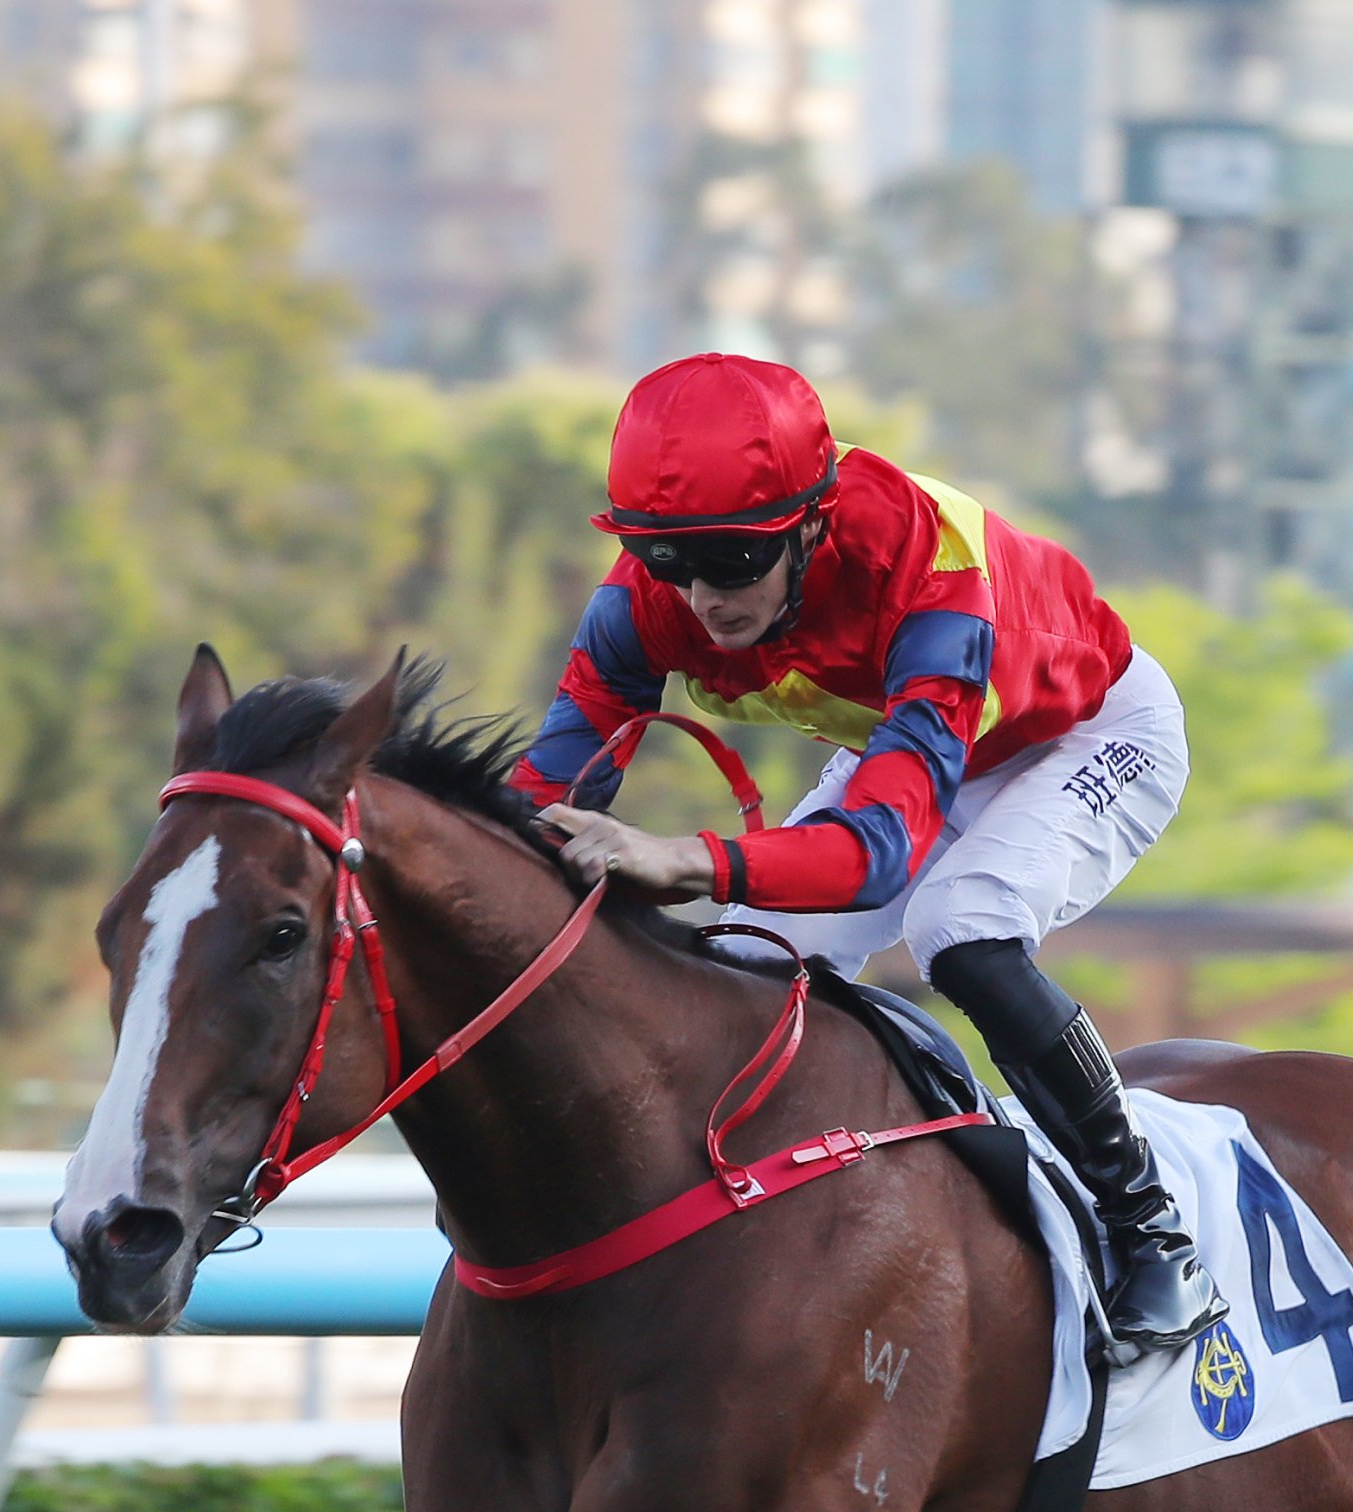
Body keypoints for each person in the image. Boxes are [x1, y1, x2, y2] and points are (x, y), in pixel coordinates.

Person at [513, 352, 1219, 1357]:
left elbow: (879, 856)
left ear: (810, 523)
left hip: (1089, 734)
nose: (703, 596)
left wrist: (690, 859)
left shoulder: (930, 574)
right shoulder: (644, 603)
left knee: (960, 927)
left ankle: (1149, 1227)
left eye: (733, 559)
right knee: (741, 963)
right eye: (667, 558)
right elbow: (539, 804)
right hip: (911, 745)